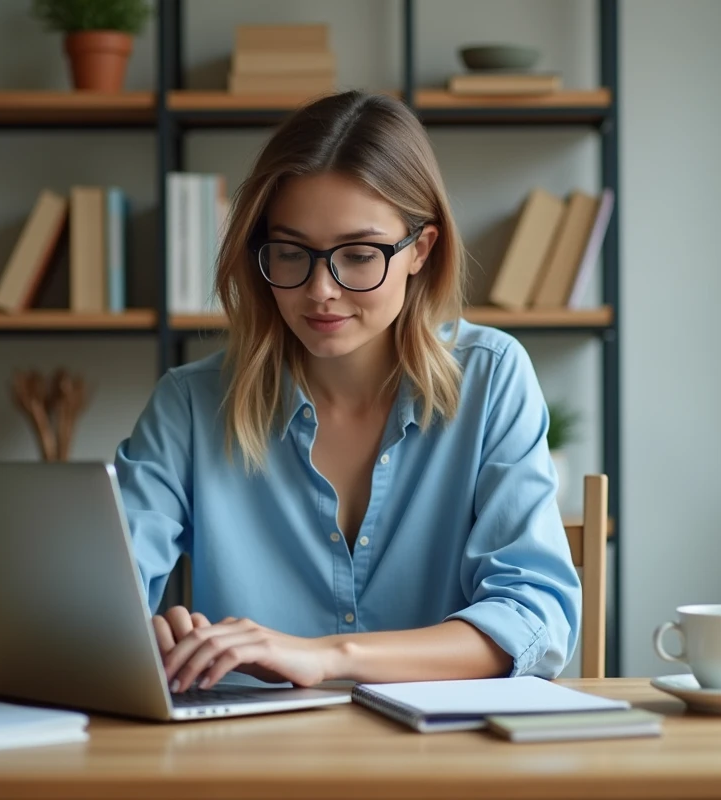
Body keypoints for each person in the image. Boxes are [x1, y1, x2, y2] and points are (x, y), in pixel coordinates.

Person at [113, 89, 581, 694]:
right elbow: (94, 605)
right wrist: (142, 636)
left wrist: (327, 656)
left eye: (359, 255)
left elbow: (534, 621)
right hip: (250, 767)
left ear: (420, 250)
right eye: (291, 253)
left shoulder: (491, 378)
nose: (320, 290)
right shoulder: (190, 405)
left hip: (444, 765)